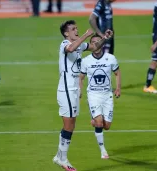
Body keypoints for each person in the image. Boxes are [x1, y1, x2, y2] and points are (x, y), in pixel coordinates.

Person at [53, 20, 113, 171]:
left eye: (77, 29)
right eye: (73, 29)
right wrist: (86, 35)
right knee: (69, 125)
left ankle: (59, 156)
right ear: (66, 33)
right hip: (66, 89)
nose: (76, 31)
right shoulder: (65, 43)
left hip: (73, 90)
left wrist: (104, 38)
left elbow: (94, 47)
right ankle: (63, 159)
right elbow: (71, 48)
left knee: (71, 124)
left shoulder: (79, 44)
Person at [79, 34, 121, 159]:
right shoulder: (86, 61)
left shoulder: (111, 58)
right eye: (93, 42)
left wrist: (118, 88)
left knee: (106, 126)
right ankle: (103, 151)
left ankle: (96, 119)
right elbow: (80, 78)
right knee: (99, 122)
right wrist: (79, 91)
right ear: (91, 45)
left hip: (107, 95)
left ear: (102, 44)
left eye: (99, 41)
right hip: (93, 95)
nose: (96, 44)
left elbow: (117, 73)